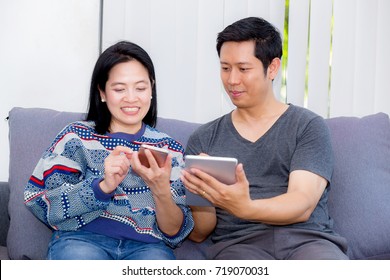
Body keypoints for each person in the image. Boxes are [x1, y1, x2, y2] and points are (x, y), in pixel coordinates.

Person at [181, 17, 349, 260]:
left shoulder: (307, 126)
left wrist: (245, 207)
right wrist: (202, 194)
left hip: (307, 242)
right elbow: (200, 232)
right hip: (238, 246)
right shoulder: (204, 139)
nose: (232, 80)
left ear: (272, 68)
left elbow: (302, 203)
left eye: (243, 68)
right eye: (225, 68)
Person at [24, 41, 194, 260]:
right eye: (119, 89)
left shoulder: (169, 150)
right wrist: (102, 187)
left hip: (149, 249)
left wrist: (160, 189)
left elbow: (176, 233)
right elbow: (39, 200)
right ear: (102, 92)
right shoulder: (75, 138)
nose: (131, 98)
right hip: (81, 240)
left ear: (152, 89)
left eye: (141, 88)